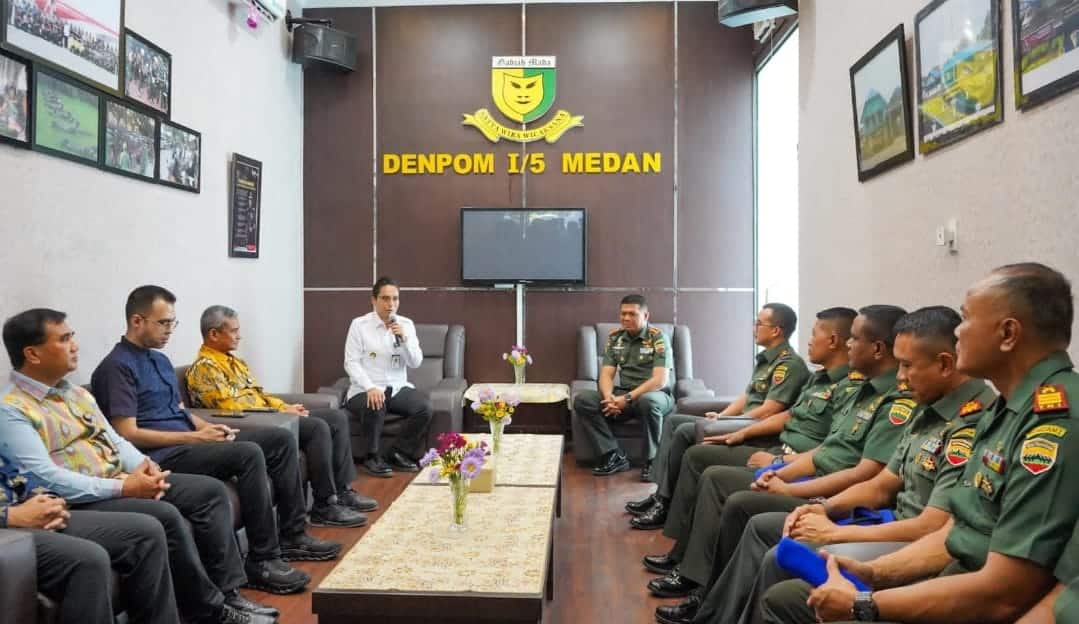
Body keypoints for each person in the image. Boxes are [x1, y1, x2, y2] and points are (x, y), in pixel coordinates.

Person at [761, 263, 1079, 624]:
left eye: (966, 319)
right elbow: (956, 533)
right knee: (788, 592)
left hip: (977, 602)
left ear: (1008, 333)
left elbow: (1003, 595)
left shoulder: (1052, 424)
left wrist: (864, 603)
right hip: (954, 575)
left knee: (789, 600)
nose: (957, 332)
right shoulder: (1006, 411)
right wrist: (875, 574)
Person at [669, 306, 996, 624]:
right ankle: (712, 610)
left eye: (907, 366)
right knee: (769, 534)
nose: (901, 377)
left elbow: (929, 526)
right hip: (886, 522)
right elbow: (880, 484)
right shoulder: (927, 407)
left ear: (944, 364)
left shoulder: (970, 423)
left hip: (912, 543)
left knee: (779, 563)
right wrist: (823, 508)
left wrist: (836, 529)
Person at [0, 308, 276, 624]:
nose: (75, 345)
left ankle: (226, 596)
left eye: (72, 336)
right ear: (33, 354)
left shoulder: (75, 393)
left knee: (209, 492)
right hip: (84, 495)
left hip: (120, 476)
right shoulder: (11, 409)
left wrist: (145, 466)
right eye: (64, 339)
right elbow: (44, 478)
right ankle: (208, 612)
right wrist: (124, 487)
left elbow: (115, 440)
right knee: (157, 521)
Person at [647, 305, 909, 600]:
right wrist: (776, 464)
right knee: (706, 462)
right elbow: (824, 445)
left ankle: (700, 588)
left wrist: (788, 479)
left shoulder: (889, 401)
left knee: (730, 494)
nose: (849, 343)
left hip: (826, 485)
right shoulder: (855, 389)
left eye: (855, 338)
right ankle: (691, 571)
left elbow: (866, 476)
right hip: (795, 461)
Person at [92, 285, 338, 593]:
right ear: (137, 321)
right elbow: (127, 433)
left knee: (278, 439)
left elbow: (180, 411)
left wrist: (208, 428)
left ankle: (293, 535)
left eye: (173, 322)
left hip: (187, 440)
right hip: (160, 454)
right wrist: (195, 438)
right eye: (163, 323)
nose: (170, 330)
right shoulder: (116, 367)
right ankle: (262, 559)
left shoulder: (160, 361)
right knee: (248, 454)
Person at [630, 305, 835, 529]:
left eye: (759, 324)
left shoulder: (788, 365)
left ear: (776, 330)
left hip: (758, 426)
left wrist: (729, 423)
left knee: (685, 431)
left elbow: (768, 410)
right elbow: (746, 397)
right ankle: (660, 495)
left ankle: (665, 504)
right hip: (744, 422)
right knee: (673, 421)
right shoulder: (766, 360)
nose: (754, 328)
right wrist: (721, 416)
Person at [185, 305, 374, 527]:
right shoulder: (204, 368)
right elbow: (231, 407)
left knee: (335, 417)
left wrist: (286, 406)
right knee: (317, 427)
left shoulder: (235, 362)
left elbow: (260, 395)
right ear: (214, 334)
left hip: (271, 416)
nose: (239, 336)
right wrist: (280, 412)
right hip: (254, 425)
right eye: (234, 331)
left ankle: (343, 491)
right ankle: (324, 506)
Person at [0, 457, 178, 624]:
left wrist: (50, 500)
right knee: (88, 559)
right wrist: (10, 516)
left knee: (144, 532)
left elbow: (12, 475)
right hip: (8, 525)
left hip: (22, 507)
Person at [574, 294, 677, 478]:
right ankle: (613, 455)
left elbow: (659, 381)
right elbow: (606, 374)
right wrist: (609, 398)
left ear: (645, 316)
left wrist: (627, 399)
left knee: (648, 401)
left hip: (656, 395)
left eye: (632, 314)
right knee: (583, 400)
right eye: (623, 314)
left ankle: (653, 461)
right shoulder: (616, 338)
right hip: (624, 395)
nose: (626, 318)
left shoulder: (658, 338)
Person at [343, 276, 432, 477]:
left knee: (424, 408)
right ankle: (372, 457)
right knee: (376, 403)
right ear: (374, 300)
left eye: (395, 299)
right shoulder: (359, 325)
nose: (391, 304)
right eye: (385, 298)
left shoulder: (406, 324)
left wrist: (404, 340)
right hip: (365, 388)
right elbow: (351, 362)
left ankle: (398, 453)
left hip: (397, 387)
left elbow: (415, 362)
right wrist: (370, 387)